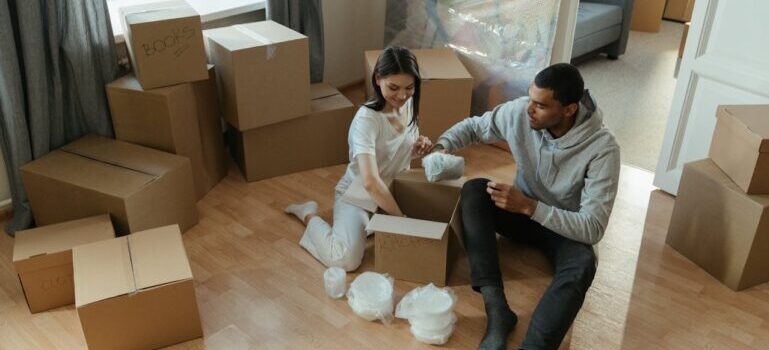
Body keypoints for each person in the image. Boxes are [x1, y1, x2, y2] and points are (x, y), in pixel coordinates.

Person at [433, 63, 620, 350]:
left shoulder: (603, 149)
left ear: (569, 109)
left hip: (563, 227)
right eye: (530, 99)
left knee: (583, 265)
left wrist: (532, 208)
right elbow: (475, 127)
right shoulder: (522, 112)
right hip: (521, 212)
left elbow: (593, 227)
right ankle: (498, 312)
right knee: (474, 190)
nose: (529, 109)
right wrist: (442, 146)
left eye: (540, 105)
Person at [285, 46, 432, 271]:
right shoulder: (367, 121)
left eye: (409, 88)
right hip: (359, 193)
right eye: (393, 87)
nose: (402, 96)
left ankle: (369, 225)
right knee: (345, 260)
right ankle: (308, 214)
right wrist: (400, 219)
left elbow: (394, 152)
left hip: (388, 190)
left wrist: (417, 146)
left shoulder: (407, 103)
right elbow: (370, 183)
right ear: (377, 79)